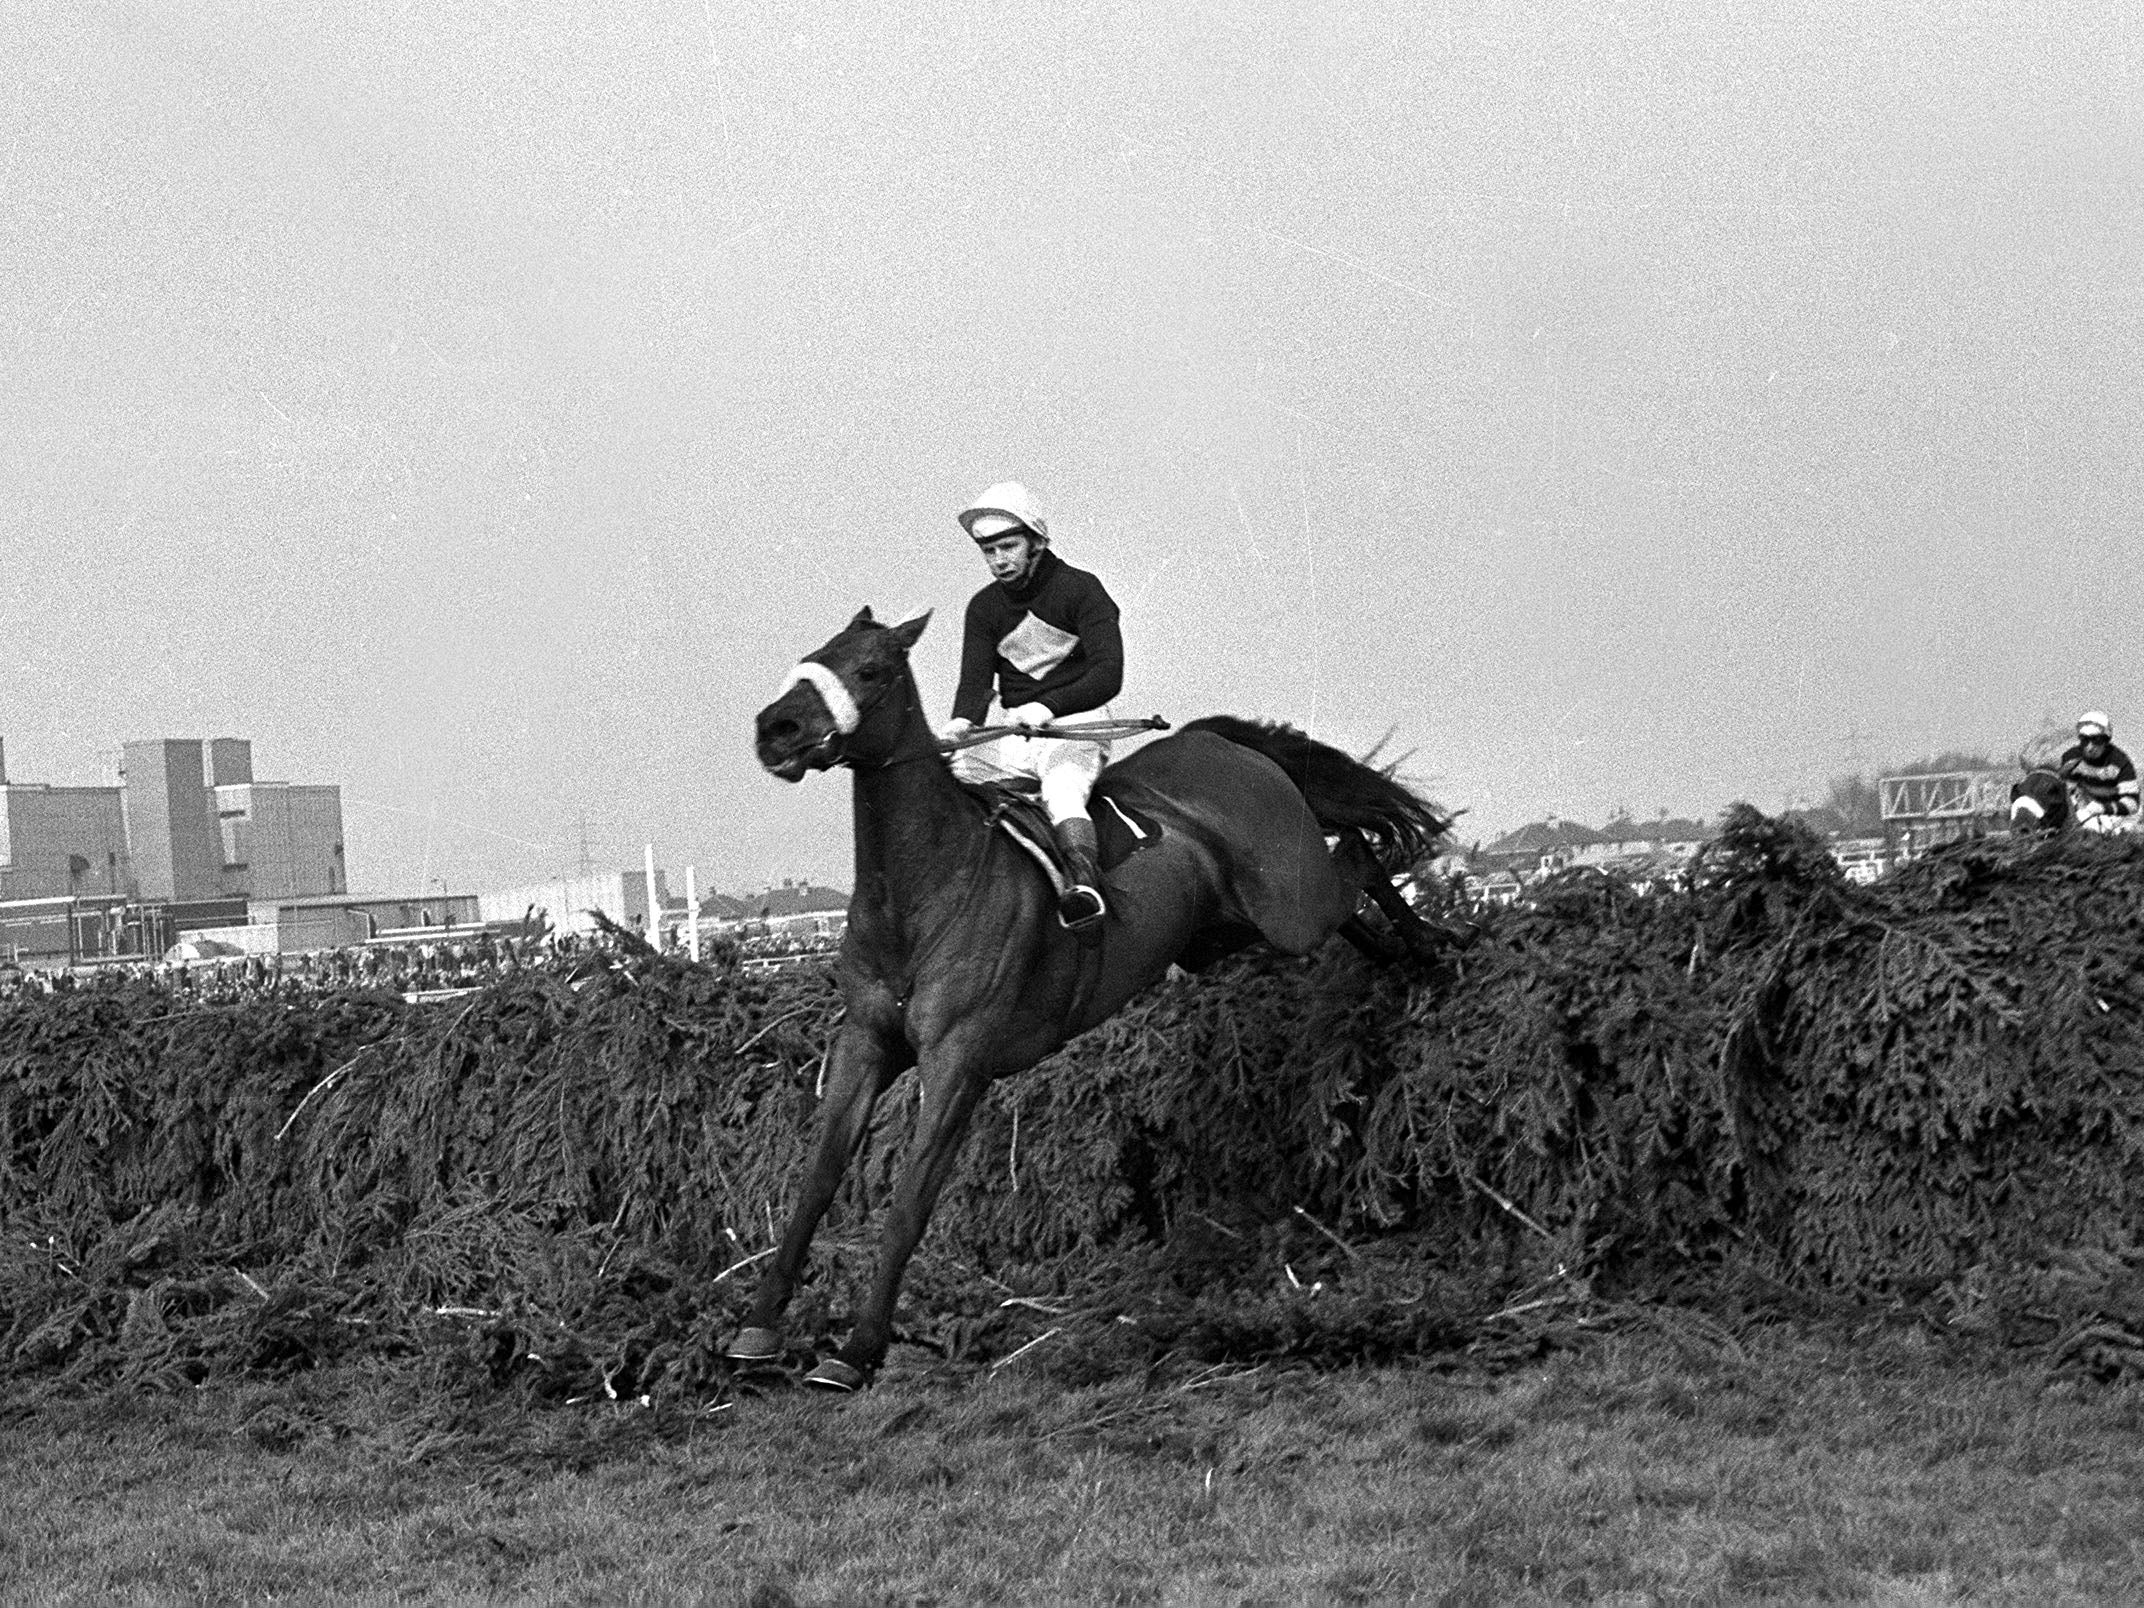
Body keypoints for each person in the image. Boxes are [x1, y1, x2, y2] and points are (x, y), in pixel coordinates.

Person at [940, 480, 1123, 933]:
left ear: (1037, 541)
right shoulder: (983, 609)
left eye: (1008, 546)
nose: (998, 560)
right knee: (950, 780)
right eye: (988, 551)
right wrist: (961, 725)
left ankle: (1085, 890)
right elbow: (975, 686)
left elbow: (1108, 674)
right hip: (1014, 732)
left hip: (1076, 726)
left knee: (1061, 792)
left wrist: (1048, 706)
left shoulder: (1082, 590)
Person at [2059, 710, 2140, 826]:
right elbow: (2065, 791)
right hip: (2083, 812)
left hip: (2117, 818)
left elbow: (2132, 804)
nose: (2090, 747)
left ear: (2106, 740)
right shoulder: (2071, 758)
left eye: (2096, 740)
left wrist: (2103, 808)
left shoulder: (2121, 762)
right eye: (2085, 740)